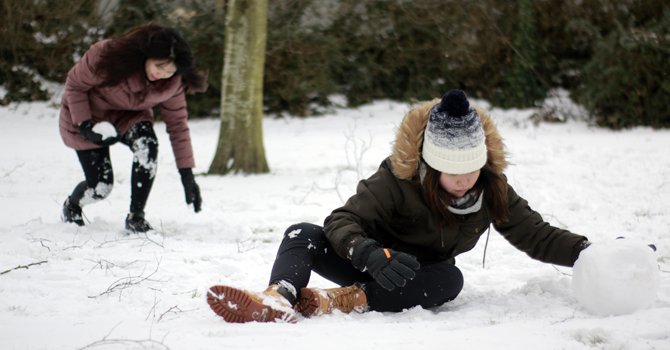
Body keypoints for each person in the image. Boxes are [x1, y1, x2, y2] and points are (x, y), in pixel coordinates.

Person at [206, 90, 591, 323]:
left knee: (450, 280)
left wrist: (592, 254)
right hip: (370, 261)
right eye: (451, 170)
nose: (463, 180)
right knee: (302, 233)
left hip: (416, 279)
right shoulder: (397, 178)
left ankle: (340, 301)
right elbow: (343, 220)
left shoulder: (492, 190)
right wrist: (369, 254)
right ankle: (279, 298)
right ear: (430, 163)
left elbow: (536, 235)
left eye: (472, 169)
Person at [59, 24, 207, 232]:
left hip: (131, 117)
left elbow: (178, 125)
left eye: (170, 71)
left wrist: (187, 175)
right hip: (90, 115)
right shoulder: (108, 55)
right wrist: (84, 125)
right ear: (147, 54)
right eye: (158, 66)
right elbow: (75, 84)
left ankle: (136, 216)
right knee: (101, 186)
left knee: (147, 146)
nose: (162, 74)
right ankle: (72, 206)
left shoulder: (172, 83)